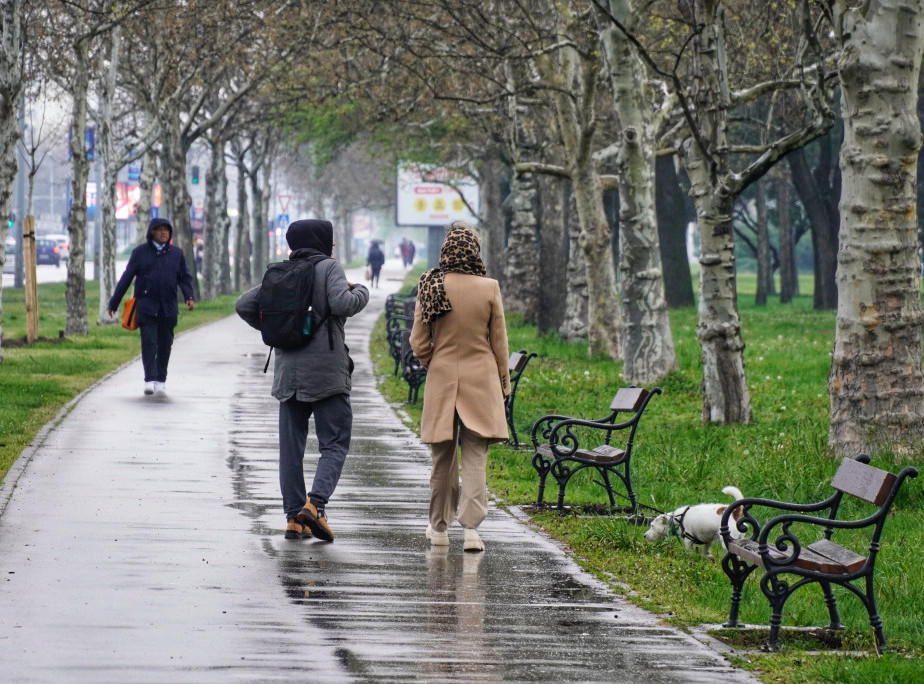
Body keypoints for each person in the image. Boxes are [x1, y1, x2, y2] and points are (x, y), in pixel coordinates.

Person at [235, 219, 369, 542]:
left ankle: (294, 519)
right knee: (334, 443)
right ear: (323, 242)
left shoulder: (280, 273)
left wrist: (279, 329)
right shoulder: (329, 268)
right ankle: (315, 503)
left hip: (288, 374)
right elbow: (342, 303)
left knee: (290, 450)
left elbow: (244, 305)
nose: (333, 247)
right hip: (327, 374)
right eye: (331, 241)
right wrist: (361, 290)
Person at [410, 220, 510, 553]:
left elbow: (418, 341)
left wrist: (434, 364)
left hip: (441, 380)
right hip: (481, 381)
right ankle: (471, 531)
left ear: (445, 250)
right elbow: (499, 344)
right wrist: (503, 384)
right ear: (475, 251)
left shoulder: (431, 284)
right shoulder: (489, 287)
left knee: (442, 457)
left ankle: (438, 528)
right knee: (476, 457)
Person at [107, 218, 195, 397]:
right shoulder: (140, 253)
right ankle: (149, 379)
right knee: (149, 342)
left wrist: (189, 296)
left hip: (168, 308)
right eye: (159, 230)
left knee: (165, 344)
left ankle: (161, 380)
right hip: (146, 307)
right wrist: (114, 302)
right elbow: (126, 277)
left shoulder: (176, 254)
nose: (164, 233)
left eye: (166, 230)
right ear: (152, 232)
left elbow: (184, 278)